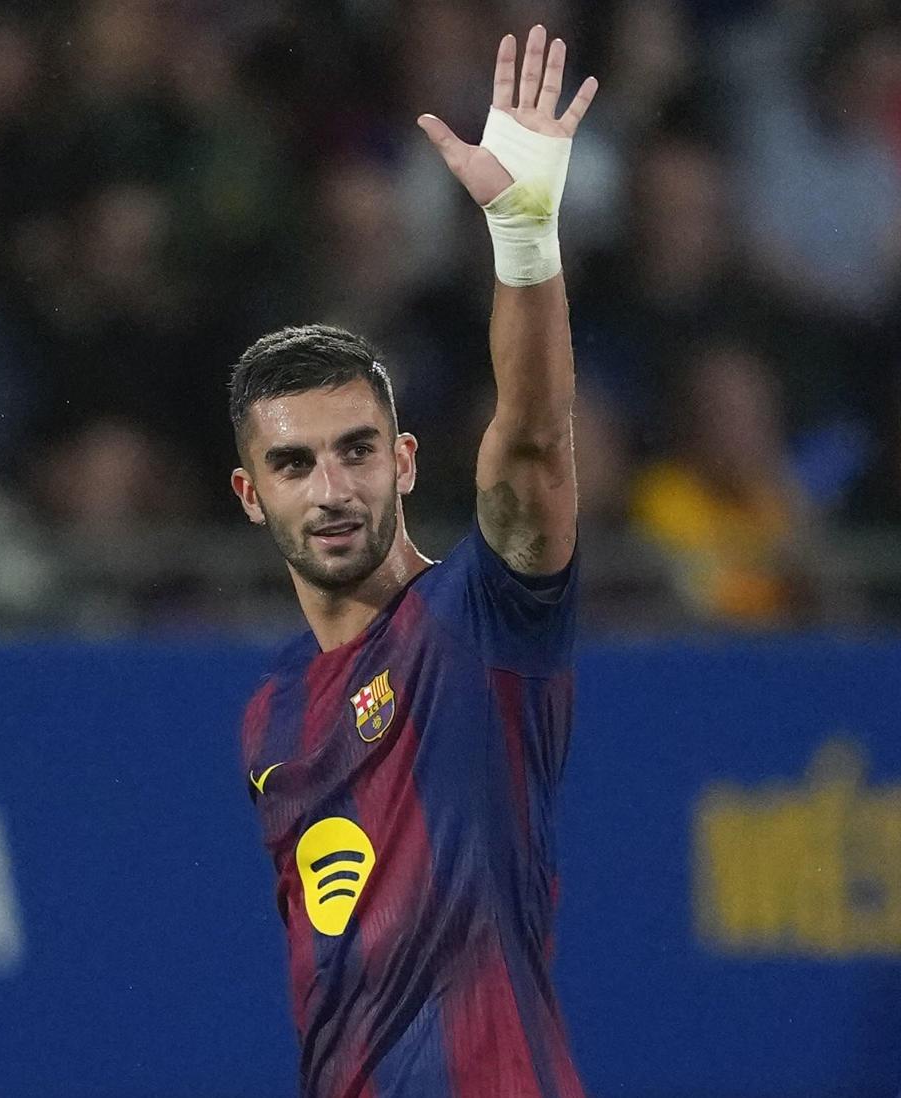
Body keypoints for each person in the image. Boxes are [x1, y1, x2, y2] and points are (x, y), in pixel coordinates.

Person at [228, 27, 594, 1097]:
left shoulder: (477, 621)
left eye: (355, 453)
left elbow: (532, 447)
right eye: (294, 465)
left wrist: (524, 240)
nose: (332, 489)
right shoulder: (269, 716)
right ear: (251, 497)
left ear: (406, 461)